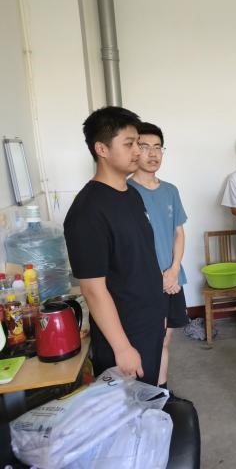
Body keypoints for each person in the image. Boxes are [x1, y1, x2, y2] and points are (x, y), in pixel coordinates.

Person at [64, 107, 165, 386]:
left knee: (147, 398)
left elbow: (140, 258)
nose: (138, 151)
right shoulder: (88, 210)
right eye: (129, 144)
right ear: (102, 149)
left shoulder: (131, 194)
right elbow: (92, 289)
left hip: (148, 320)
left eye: (139, 144)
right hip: (123, 331)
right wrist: (122, 348)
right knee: (126, 406)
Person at [128, 122, 188, 393]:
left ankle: (161, 392)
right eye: (144, 147)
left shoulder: (170, 190)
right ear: (134, 150)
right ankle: (146, 395)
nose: (152, 154)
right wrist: (159, 279)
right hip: (147, 283)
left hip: (172, 278)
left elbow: (179, 233)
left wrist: (173, 270)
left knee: (165, 340)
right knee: (148, 342)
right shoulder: (126, 192)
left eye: (157, 147)